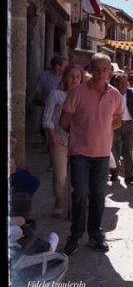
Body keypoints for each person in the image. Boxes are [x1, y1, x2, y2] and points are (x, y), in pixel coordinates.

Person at [59, 53, 123, 256]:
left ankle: (95, 233)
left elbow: (117, 120)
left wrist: (102, 132)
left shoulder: (115, 95)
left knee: (98, 195)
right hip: (79, 152)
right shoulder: (77, 92)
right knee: (80, 194)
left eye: (105, 69)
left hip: (102, 153)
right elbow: (64, 121)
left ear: (110, 72)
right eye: (97, 69)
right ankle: (75, 235)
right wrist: (81, 136)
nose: (101, 73)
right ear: (90, 70)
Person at [42, 64, 84, 217]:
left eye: (78, 76)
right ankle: (59, 201)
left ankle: (72, 206)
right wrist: (52, 136)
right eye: (71, 76)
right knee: (60, 176)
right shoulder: (56, 94)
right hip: (59, 140)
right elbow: (47, 118)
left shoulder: (84, 96)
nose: (74, 79)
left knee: (77, 178)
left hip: (78, 142)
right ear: (65, 77)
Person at [109, 73, 133, 185]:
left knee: (128, 150)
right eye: (122, 82)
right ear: (116, 83)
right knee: (114, 150)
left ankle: (129, 176)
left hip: (129, 124)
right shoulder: (111, 93)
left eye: (126, 82)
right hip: (114, 125)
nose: (125, 85)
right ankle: (114, 172)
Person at [34, 56, 68, 168]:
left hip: (65, 112)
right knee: (51, 139)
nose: (66, 68)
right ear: (57, 66)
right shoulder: (44, 77)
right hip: (50, 111)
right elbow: (37, 93)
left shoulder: (66, 77)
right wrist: (47, 102)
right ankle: (53, 162)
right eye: (64, 65)